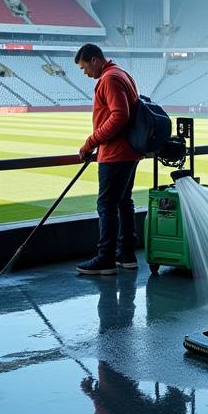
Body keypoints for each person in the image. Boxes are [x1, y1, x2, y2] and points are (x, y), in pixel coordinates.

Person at [75, 43, 143, 275]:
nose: (86, 74)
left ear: (95, 60)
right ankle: (126, 255)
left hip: (116, 154)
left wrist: (90, 142)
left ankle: (105, 258)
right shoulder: (122, 74)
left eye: (85, 68)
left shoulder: (109, 78)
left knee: (106, 205)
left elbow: (119, 116)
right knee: (123, 202)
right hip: (129, 152)